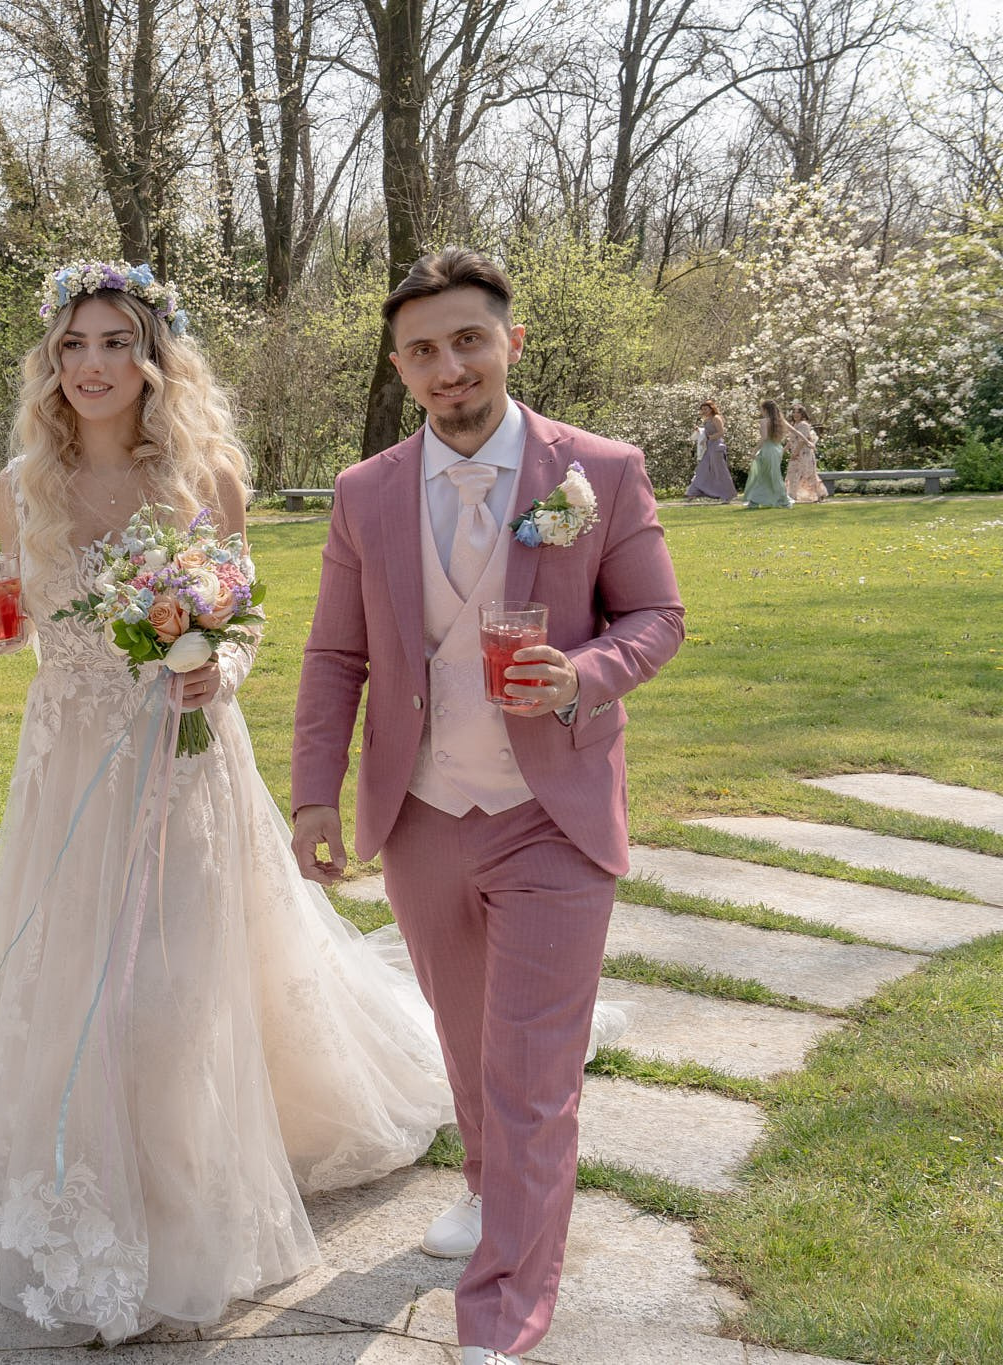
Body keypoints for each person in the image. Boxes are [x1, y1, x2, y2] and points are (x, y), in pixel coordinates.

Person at [0, 262, 454, 1342]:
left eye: (115, 342)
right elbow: (16, 612)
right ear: (49, 362)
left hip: (181, 757)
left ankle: (174, 1201)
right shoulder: (20, 484)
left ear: (153, 359)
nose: (91, 365)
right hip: (65, 768)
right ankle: (72, 1177)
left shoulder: (206, 476)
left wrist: (219, 668)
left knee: (173, 981)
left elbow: (243, 619)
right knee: (68, 974)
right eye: (72, 345)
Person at [289, 247, 683, 1365]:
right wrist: (314, 796)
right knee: (467, 1045)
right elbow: (334, 655)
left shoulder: (597, 472)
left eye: (468, 339)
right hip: (421, 814)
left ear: (510, 341)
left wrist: (582, 675)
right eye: (422, 349)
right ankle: (482, 1184)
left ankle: (502, 1314)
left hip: (551, 812)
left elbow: (655, 617)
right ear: (398, 367)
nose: (448, 365)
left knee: (533, 1077)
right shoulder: (365, 492)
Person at [743, 400, 794, 508]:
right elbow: (795, 432)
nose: (761, 411)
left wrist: (754, 450)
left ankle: (782, 501)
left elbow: (764, 437)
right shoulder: (780, 421)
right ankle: (756, 501)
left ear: (765, 409)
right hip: (777, 450)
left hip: (767, 450)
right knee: (770, 475)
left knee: (765, 475)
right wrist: (807, 442)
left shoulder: (764, 421)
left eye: (761, 409)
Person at [685, 400, 735, 501]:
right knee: (702, 469)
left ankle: (727, 495)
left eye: (706, 409)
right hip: (708, 448)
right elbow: (707, 431)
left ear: (711, 409)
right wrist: (699, 430)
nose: (704, 411)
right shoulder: (706, 420)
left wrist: (709, 438)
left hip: (717, 447)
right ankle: (693, 492)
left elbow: (721, 432)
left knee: (720, 471)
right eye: (702, 409)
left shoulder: (716, 418)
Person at [784, 403, 827, 503]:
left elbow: (802, 441)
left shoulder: (804, 425)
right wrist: (783, 451)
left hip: (804, 453)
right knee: (793, 473)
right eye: (794, 412)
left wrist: (795, 453)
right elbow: (791, 441)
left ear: (802, 414)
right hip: (796, 453)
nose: (795, 414)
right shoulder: (794, 425)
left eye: (798, 413)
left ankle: (815, 495)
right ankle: (793, 495)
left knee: (806, 473)